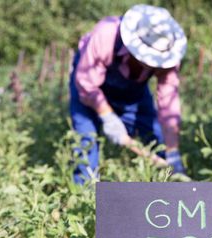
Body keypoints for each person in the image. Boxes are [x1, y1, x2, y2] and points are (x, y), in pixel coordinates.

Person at [69, 4, 187, 184]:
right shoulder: (106, 35)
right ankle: (86, 197)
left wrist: (173, 152)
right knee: (86, 139)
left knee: (155, 136)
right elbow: (87, 85)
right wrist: (107, 116)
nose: (151, 65)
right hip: (88, 85)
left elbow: (168, 105)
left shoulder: (168, 55)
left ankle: (167, 188)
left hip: (133, 92)